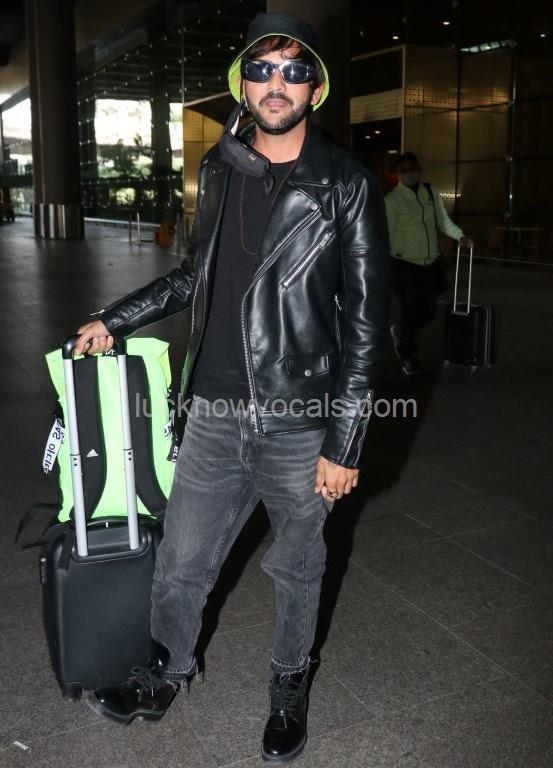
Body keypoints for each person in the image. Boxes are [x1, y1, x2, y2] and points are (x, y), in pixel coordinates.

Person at [75, 12, 388, 764]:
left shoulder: (344, 182)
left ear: (315, 88)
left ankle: (289, 687)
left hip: (298, 418)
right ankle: (165, 672)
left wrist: (344, 443)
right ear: (241, 84)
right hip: (214, 412)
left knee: (297, 568)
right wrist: (115, 318)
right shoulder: (219, 169)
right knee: (181, 562)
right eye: (262, 69)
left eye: (293, 71)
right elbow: (197, 275)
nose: (277, 84)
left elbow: (367, 324)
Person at [385, 151, 473, 375]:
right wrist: (384, 268)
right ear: (398, 174)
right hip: (404, 264)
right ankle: (408, 355)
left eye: (412, 169)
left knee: (428, 312)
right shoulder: (392, 200)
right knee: (410, 309)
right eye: (403, 171)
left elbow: (442, 221)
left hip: (430, 264)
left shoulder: (431, 192)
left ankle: (402, 334)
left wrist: (460, 236)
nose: (408, 174)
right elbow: (386, 234)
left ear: (419, 170)